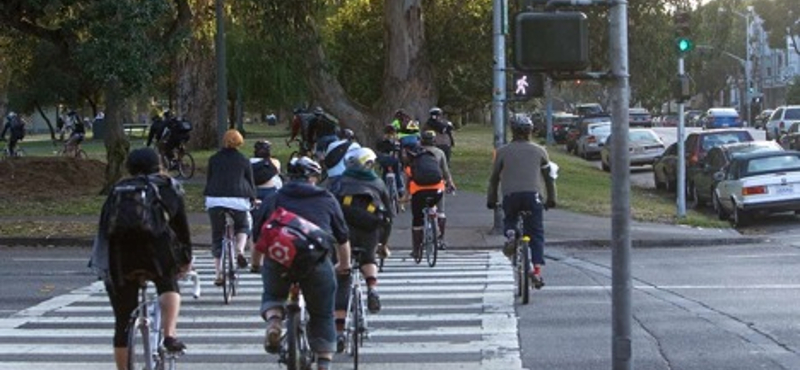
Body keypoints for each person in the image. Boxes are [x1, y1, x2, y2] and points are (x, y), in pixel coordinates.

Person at [89, 147, 192, 370]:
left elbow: (105, 227)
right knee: (168, 284)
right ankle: (169, 335)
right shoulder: (168, 187)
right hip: (156, 255)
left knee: (123, 321)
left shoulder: (118, 189)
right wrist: (185, 259)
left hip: (120, 258)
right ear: (159, 165)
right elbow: (181, 228)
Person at [255, 156, 351, 370]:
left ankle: (274, 322)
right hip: (316, 261)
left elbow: (258, 236)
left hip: (280, 259)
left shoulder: (275, 198)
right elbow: (342, 237)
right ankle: (324, 363)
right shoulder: (327, 199)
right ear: (313, 178)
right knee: (323, 313)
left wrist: (256, 264)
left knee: (273, 295)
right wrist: (343, 265)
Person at [326, 147, 392, 350]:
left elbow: (329, 208)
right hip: (369, 230)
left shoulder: (338, 183)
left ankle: (338, 332)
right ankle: (372, 287)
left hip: (343, 233)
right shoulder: (378, 183)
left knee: (343, 275)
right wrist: (383, 242)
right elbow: (388, 215)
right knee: (369, 259)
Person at [486, 114, 557, 289]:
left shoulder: (502, 151)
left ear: (513, 131)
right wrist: (551, 200)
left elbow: (494, 179)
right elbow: (549, 178)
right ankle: (537, 270)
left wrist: (492, 200)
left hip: (511, 196)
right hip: (533, 196)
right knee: (536, 232)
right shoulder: (540, 151)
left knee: (510, 218)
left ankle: (510, 233)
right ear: (530, 132)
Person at [204, 129, 257, 286]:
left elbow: (209, 179)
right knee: (243, 226)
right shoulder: (244, 160)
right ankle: (240, 250)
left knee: (217, 235)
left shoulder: (214, 159)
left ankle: (218, 273)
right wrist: (254, 198)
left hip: (215, 199)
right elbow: (250, 182)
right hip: (238, 199)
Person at [405, 130, 456, 258]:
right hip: (436, 188)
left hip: (418, 190)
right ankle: (441, 239)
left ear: (421, 140)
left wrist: (406, 194)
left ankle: (416, 250)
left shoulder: (415, 153)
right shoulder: (440, 153)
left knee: (417, 219)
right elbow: (445, 171)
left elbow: (409, 175)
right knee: (441, 212)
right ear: (434, 141)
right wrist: (450, 183)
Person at [248, 140, 282, 273]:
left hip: (254, 192)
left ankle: (254, 261)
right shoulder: (275, 162)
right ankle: (271, 256)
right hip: (270, 192)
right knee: (270, 225)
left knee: (254, 228)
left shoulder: (248, 162)